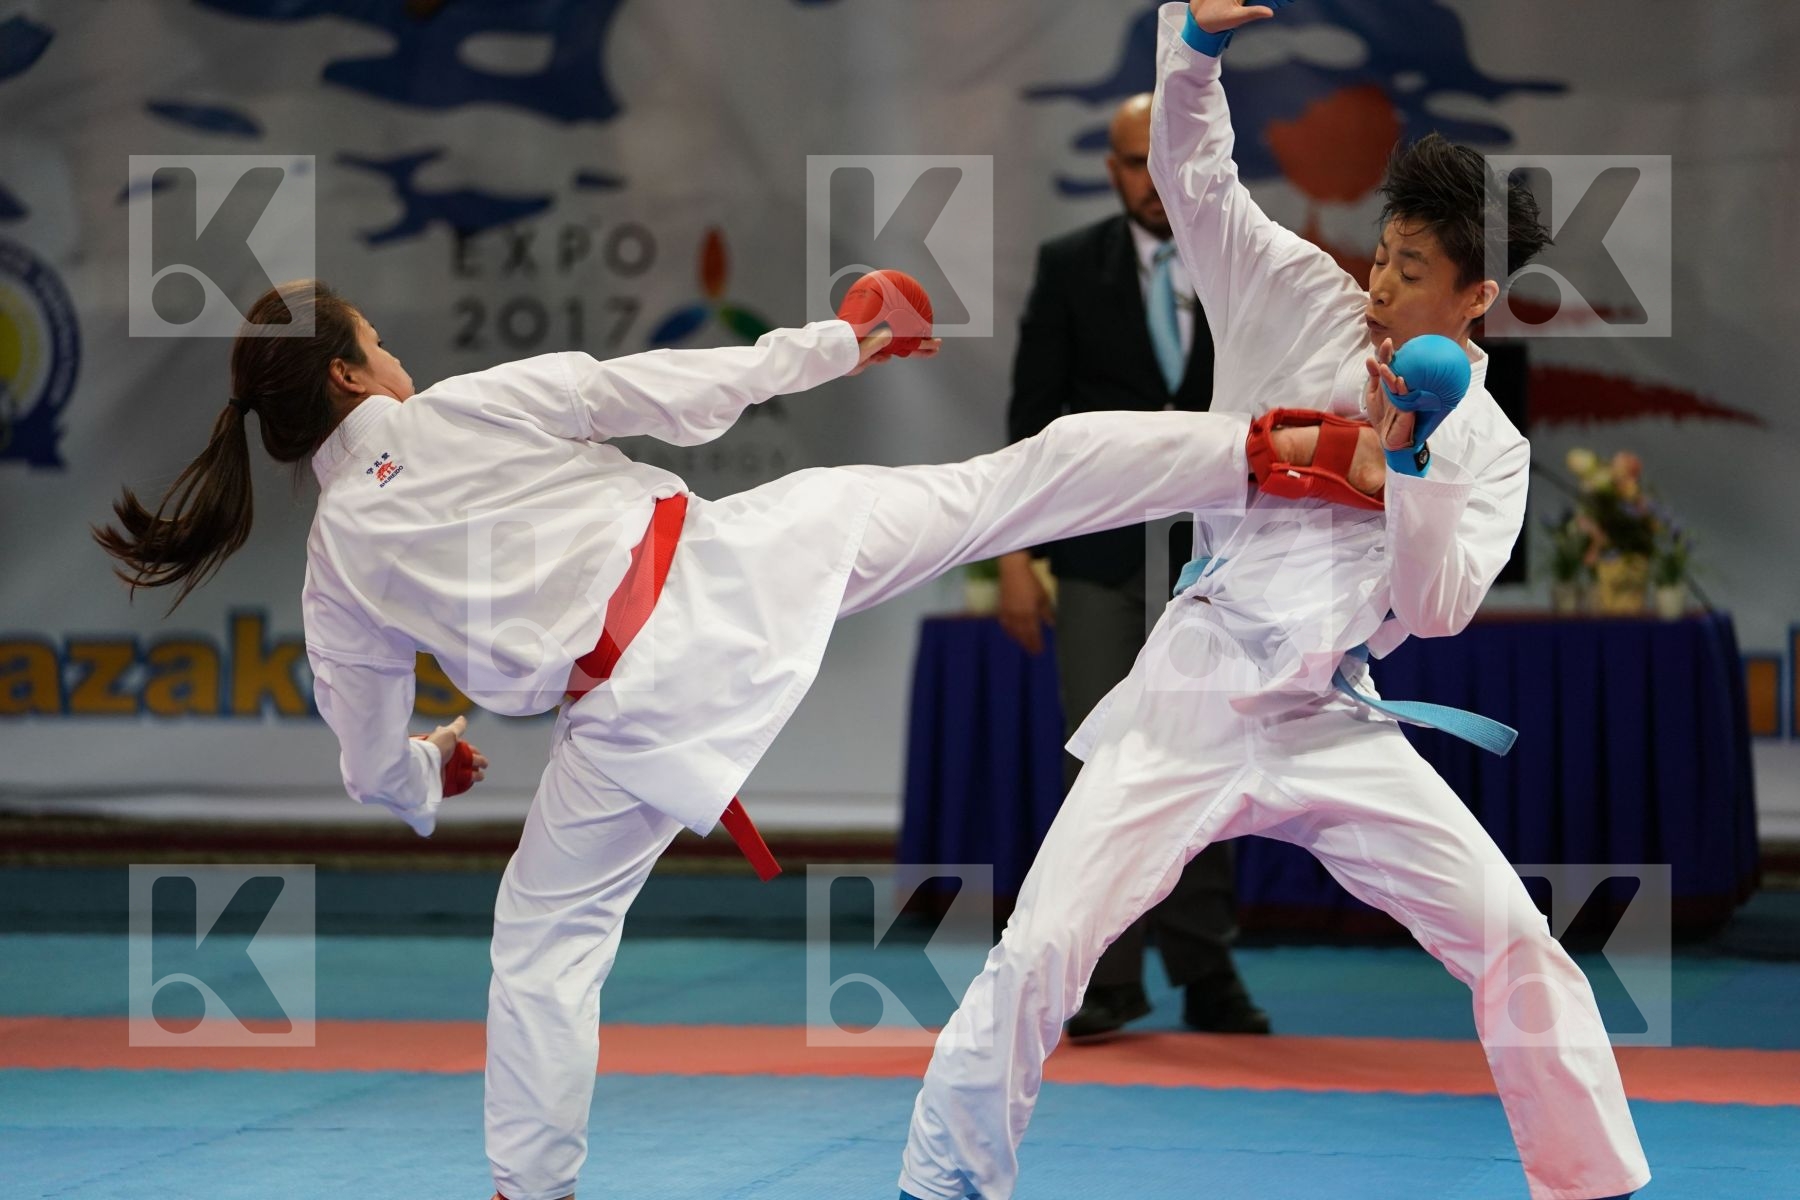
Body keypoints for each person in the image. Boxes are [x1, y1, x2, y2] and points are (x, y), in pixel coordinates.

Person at [94, 277, 1389, 1200]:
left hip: (626, 721)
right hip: (730, 574)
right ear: (345, 375)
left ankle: (525, 1192)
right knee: (1006, 489)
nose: (395, 358)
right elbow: (659, 389)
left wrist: (436, 765)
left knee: (542, 947)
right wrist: (836, 342)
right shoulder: (460, 412)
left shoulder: (336, 571)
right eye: (375, 341)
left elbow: (371, 766)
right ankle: (1268, 455)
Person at [896, 4, 1650, 1200]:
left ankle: (1591, 1184)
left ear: (1476, 300)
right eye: (1386, 255)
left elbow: (1439, 607)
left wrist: (1410, 464)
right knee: (1043, 943)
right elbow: (1196, 179)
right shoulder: (1296, 295)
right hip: (1192, 693)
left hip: (1335, 720)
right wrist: (1188, 49)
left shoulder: (1489, 446)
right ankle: (942, 1182)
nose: (1385, 286)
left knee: (1513, 941)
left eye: (1414, 273)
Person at [998, 92, 1266, 1039]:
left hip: (1220, 556)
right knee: (1106, 762)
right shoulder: (1072, 268)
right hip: (1099, 553)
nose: (1147, 183)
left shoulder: (1242, 264)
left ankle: (1207, 970)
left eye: (1159, 160)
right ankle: (1105, 977)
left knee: (1209, 756)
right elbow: (1033, 424)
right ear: (1107, 171)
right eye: (1126, 163)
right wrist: (1016, 560)